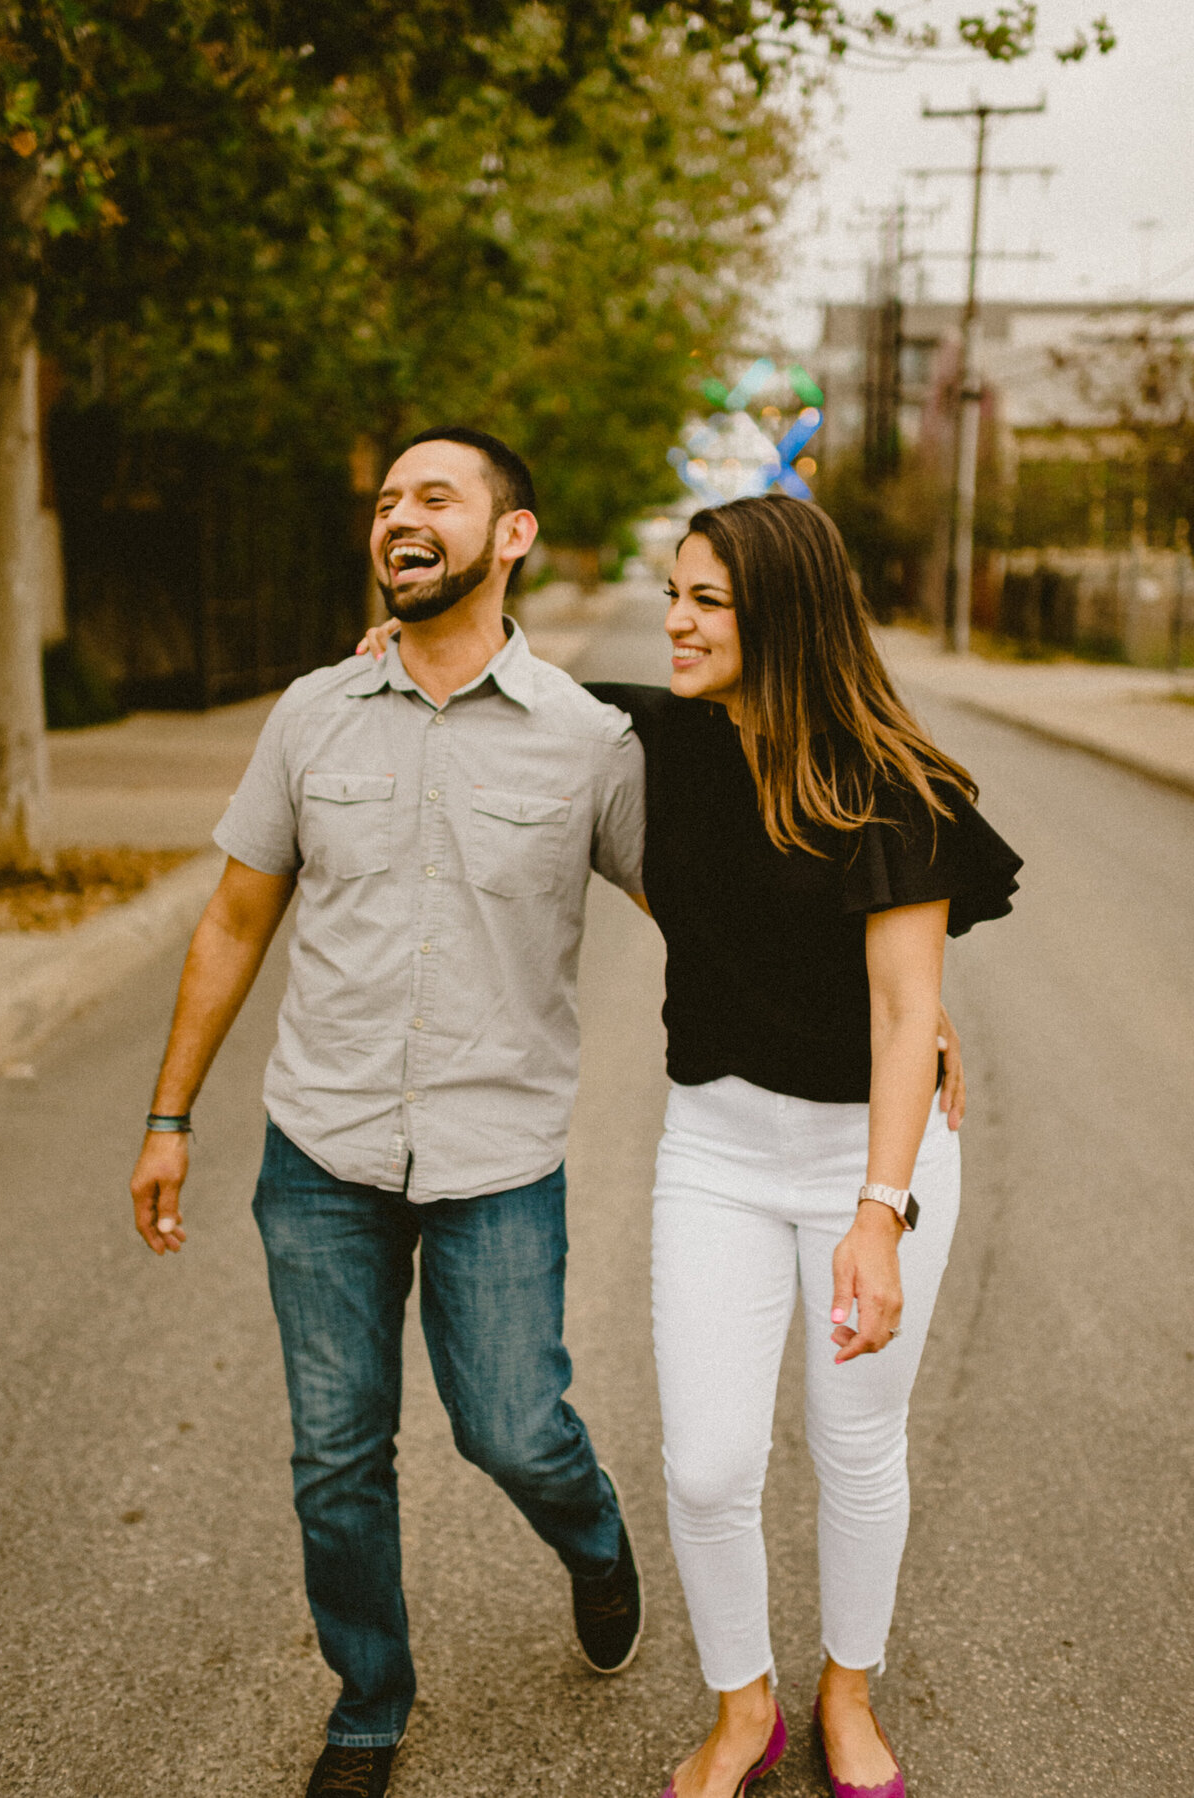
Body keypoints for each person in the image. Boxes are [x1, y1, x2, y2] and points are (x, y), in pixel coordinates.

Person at [127, 427, 651, 1798]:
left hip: (497, 1154)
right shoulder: (312, 713)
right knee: (336, 1451)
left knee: (512, 1428)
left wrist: (896, 1001)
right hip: (323, 1147)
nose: (398, 517)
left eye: (435, 495)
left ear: (512, 533)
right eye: (384, 501)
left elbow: (708, 921)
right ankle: (369, 1697)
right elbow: (236, 921)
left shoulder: (592, 743)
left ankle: (594, 1534)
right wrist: (170, 1112)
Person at [579, 494, 1022, 1798]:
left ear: (784, 613)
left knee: (852, 1439)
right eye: (673, 591)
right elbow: (524, 700)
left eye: (706, 600)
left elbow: (902, 1012)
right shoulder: (660, 743)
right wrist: (401, 655)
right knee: (709, 1456)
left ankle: (846, 1693)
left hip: (868, 1162)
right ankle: (741, 1708)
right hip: (713, 1147)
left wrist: (878, 1213)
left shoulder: (891, 784)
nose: (674, 619)